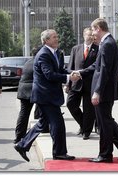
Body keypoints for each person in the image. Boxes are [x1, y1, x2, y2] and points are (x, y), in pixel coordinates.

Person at [74, 18, 118, 163]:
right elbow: (97, 65)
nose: (93, 33)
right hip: (106, 90)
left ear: (99, 28)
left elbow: (104, 70)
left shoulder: (107, 44)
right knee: (107, 121)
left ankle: (105, 155)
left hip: (104, 91)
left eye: (93, 30)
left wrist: (97, 91)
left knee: (104, 123)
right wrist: (81, 72)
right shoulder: (107, 43)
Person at [14, 29, 77, 162]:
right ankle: (59, 153)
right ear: (46, 40)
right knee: (58, 124)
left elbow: (60, 70)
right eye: (54, 37)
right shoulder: (43, 54)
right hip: (45, 95)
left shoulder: (54, 53)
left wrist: (73, 73)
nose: (57, 38)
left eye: (57, 36)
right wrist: (68, 78)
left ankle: (22, 145)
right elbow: (49, 74)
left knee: (43, 123)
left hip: (48, 95)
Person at [66, 27, 99, 140]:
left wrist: (81, 73)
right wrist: (69, 83)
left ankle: (86, 131)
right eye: (88, 35)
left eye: (92, 35)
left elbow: (96, 67)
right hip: (76, 83)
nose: (90, 37)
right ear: (83, 35)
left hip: (90, 84)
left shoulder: (98, 49)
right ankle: (83, 124)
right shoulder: (76, 49)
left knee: (89, 109)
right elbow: (70, 67)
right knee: (70, 104)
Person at [13, 46, 46, 144]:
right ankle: (44, 128)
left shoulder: (28, 62)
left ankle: (19, 136)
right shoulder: (39, 62)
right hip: (34, 90)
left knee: (24, 114)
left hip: (23, 90)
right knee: (45, 112)